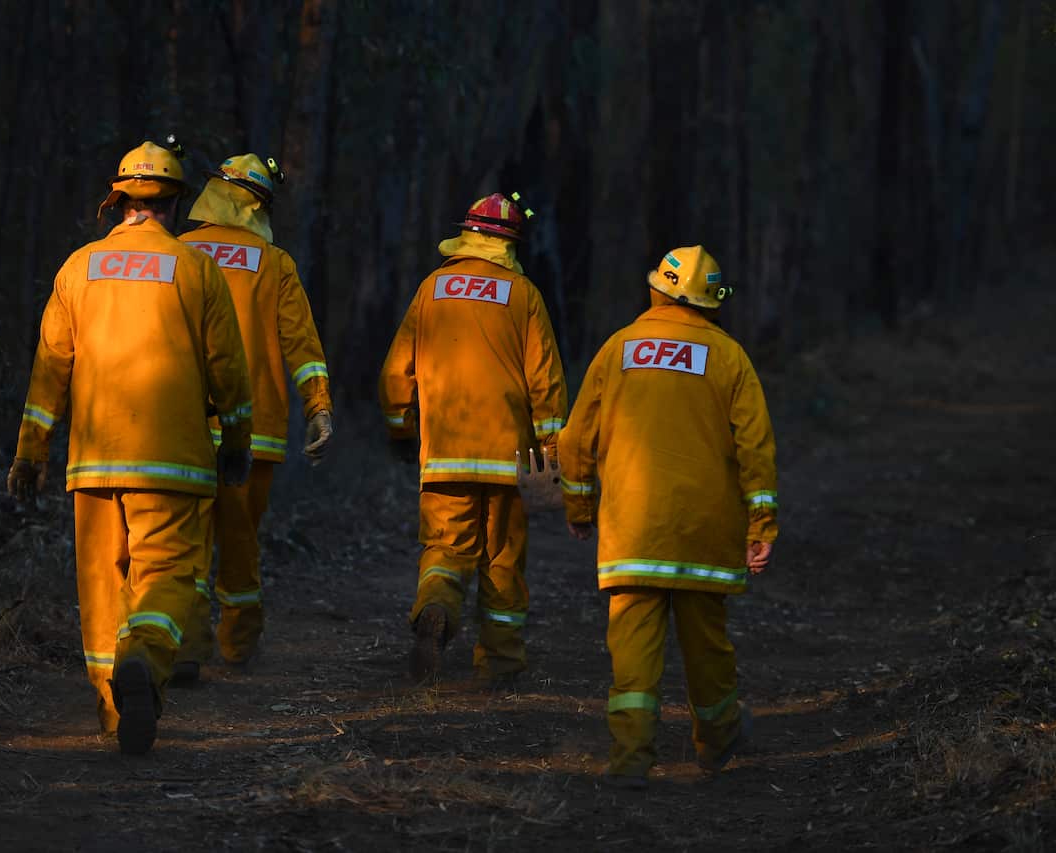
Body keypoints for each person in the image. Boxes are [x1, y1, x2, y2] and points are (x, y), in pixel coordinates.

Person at [6, 140, 253, 755]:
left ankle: (116, 716)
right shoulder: (197, 271)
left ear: (116, 201)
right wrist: (237, 440)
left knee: (100, 587)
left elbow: (49, 371)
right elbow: (228, 369)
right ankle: (143, 656)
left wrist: (30, 452)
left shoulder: (77, 268)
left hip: (91, 462)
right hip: (176, 464)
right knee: (167, 574)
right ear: (174, 203)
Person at [558, 246, 778, 788]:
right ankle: (719, 739)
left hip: (632, 530)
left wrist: (580, 506)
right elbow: (756, 447)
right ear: (711, 302)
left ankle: (631, 759)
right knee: (707, 645)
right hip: (704, 532)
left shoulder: (618, 348)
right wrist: (761, 527)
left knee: (632, 649)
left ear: (656, 289)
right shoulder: (729, 357)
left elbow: (576, 438)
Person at [379, 193, 567, 686]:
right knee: (502, 558)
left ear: (466, 235)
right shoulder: (523, 294)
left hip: (444, 455)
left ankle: (436, 608)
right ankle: (500, 663)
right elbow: (545, 380)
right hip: (510, 458)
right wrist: (551, 453)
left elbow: (397, 370)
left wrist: (401, 427)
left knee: (444, 548)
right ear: (510, 244)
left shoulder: (433, 287)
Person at [173, 153, 333, 677]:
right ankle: (238, 647)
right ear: (259, 206)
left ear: (214, 192)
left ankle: (184, 644)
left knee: (183, 540)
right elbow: (302, 345)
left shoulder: (173, 253)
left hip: (182, 427)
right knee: (240, 541)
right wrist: (319, 408)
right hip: (256, 431)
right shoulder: (273, 263)